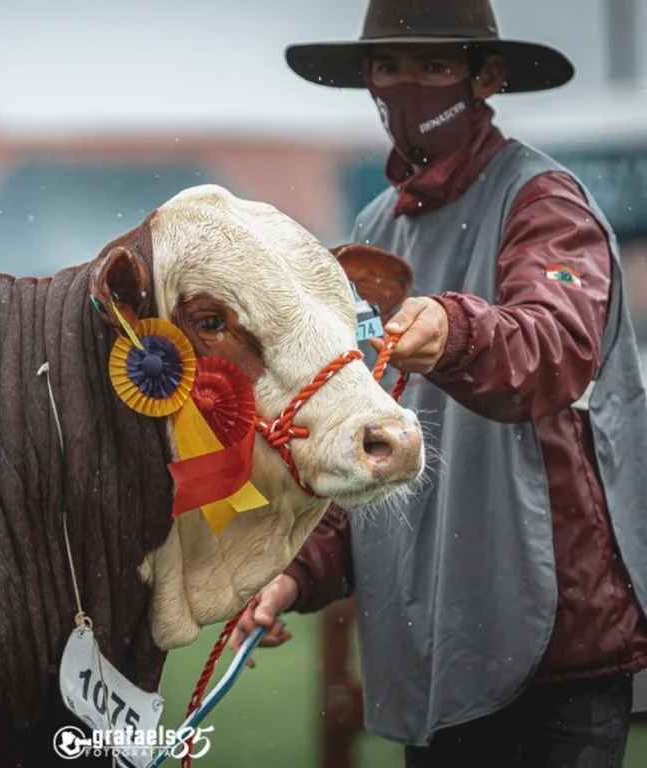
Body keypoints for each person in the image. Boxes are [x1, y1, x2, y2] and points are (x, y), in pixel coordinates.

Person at [230, 1, 647, 766]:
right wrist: (294, 573)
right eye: (388, 66)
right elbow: (362, 444)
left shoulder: (545, 203)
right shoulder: (372, 231)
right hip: (436, 645)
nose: (407, 87)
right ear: (366, 79)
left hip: (555, 642)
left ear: (486, 77)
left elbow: (557, 348)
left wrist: (454, 331)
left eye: (433, 65)